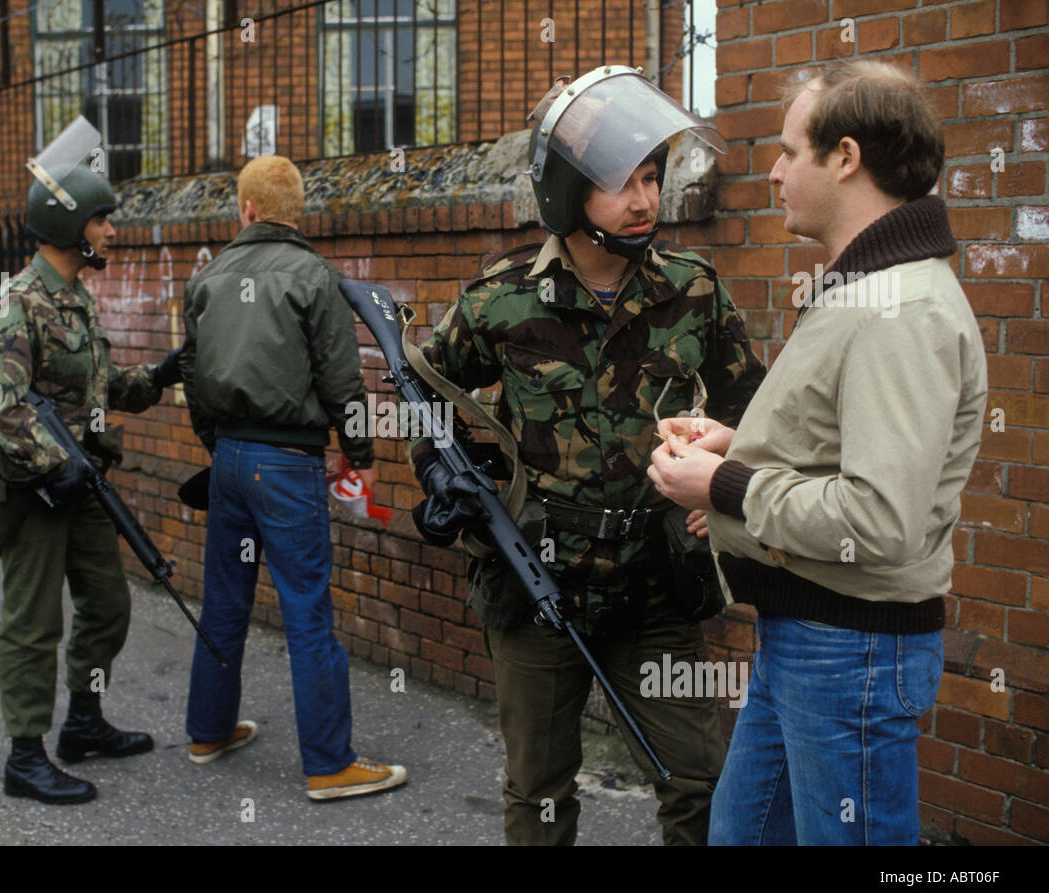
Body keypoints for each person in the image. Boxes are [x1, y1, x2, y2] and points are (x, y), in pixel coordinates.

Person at [409, 67, 766, 845]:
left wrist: (724, 482)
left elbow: (754, 405)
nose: (644, 200)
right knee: (539, 791)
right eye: (620, 182)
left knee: (701, 782)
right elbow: (428, 397)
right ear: (568, 193)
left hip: (655, 587)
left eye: (651, 177)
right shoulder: (499, 299)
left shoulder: (694, 291)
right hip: (537, 586)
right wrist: (444, 471)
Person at [649, 61, 986, 845]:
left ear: (845, 157)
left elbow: (879, 516)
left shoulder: (898, 308)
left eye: (789, 151)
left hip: (852, 653)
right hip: (809, 636)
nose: (772, 173)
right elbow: (849, 446)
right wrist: (743, 446)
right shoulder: (864, 287)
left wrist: (724, 483)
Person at [0, 120, 186, 804]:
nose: (112, 232)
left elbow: (101, 386)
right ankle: (25, 755)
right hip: (33, 490)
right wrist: (47, 460)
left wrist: (162, 374)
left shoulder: (76, 302)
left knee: (109, 604)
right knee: (33, 623)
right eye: (101, 221)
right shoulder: (15, 305)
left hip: (82, 482)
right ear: (69, 227)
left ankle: (84, 722)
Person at [179, 154, 407, 801]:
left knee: (224, 601)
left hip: (228, 460)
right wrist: (358, 451)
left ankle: (208, 730)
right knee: (307, 610)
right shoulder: (314, 276)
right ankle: (329, 763)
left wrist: (216, 443)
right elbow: (342, 380)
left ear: (246, 210)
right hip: (287, 462)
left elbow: (191, 374)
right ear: (295, 211)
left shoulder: (210, 277)